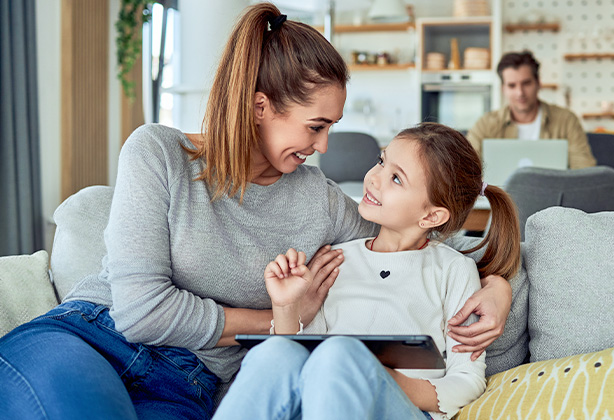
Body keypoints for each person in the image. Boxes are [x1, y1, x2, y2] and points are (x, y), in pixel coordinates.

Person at [0, 3, 512, 419]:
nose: (326, 146)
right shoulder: (158, 153)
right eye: (315, 126)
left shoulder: (319, 199)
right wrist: (283, 318)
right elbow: (139, 310)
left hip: (189, 385)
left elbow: (416, 241)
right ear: (261, 107)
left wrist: (496, 286)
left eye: (331, 126)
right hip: (92, 335)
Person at [213, 123, 521, 420]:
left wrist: (373, 376)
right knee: (275, 354)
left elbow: (467, 383)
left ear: (432, 215)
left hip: (404, 408)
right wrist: (285, 306)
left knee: (340, 354)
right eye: (381, 161)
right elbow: (303, 356)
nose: (374, 178)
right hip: (327, 401)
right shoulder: (338, 257)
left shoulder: (453, 270)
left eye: (396, 178)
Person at [467, 50, 596, 169]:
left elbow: (584, 170)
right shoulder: (484, 125)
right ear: (503, 89)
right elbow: (465, 171)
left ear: (538, 83)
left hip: (553, 194)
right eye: (512, 86)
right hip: (501, 194)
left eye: (526, 83)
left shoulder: (567, 120)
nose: (520, 93)